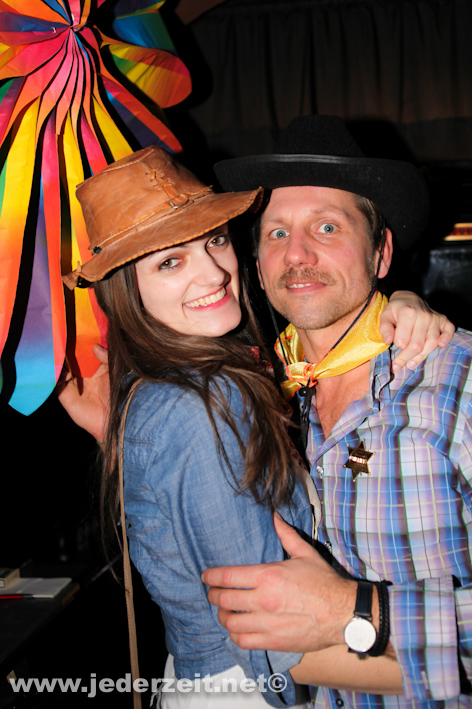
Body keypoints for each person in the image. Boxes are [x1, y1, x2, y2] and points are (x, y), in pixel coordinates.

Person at [59, 143, 455, 707]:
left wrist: (409, 302)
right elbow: (268, 648)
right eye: (169, 262)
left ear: (381, 252)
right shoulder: (206, 401)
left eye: (214, 240)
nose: (212, 271)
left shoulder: (275, 375)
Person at [202, 114, 472, 708]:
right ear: (257, 267)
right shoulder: (254, 397)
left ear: (381, 253)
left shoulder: (459, 382)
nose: (296, 254)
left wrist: (355, 608)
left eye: (327, 227)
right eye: (276, 233)